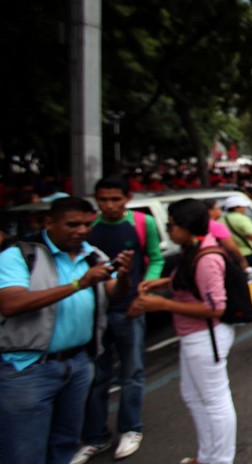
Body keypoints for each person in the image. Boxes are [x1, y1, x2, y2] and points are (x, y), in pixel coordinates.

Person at [0, 197, 132, 464]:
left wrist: (124, 276)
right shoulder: (19, 255)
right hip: (29, 368)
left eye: (86, 224)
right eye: (72, 225)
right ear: (49, 223)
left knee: (65, 445)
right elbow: (11, 304)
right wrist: (77, 285)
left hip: (78, 364)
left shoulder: (92, 255)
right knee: (24, 450)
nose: (82, 231)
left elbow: (114, 292)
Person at [132, 199, 237, 464]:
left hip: (205, 337)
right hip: (195, 336)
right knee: (194, 397)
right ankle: (207, 456)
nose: (168, 231)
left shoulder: (207, 258)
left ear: (187, 226)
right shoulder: (194, 250)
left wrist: (163, 304)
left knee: (215, 402)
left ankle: (221, 460)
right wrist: (164, 284)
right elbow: (190, 282)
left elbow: (215, 308)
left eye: (171, 225)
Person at [74, 176, 165, 464]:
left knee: (132, 372)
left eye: (116, 199)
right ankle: (95, 436)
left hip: (129, 309)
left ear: (127, 199)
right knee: (96, 375)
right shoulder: (88, 227)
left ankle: (130, 428)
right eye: (103, 200)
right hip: (95, 312)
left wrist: (144, 290)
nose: (110, 205)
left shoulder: (142, 223)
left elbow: (155, 258)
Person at [221, 196, 252, 276]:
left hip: (230, 255)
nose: (244, 209)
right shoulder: (242, 219)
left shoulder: (221, 220)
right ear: (237, 208)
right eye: (243, 207)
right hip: (247, 253)